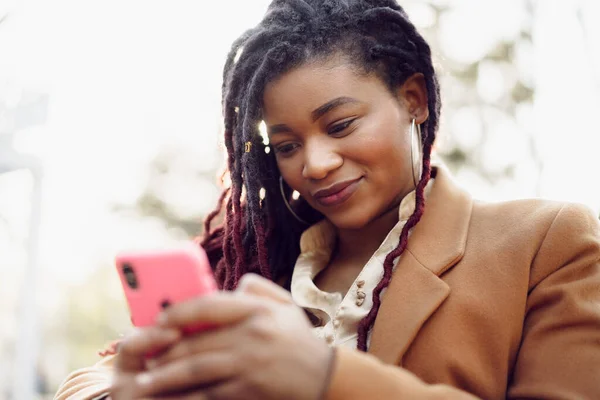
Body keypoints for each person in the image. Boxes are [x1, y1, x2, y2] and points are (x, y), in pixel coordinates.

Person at [54, 0, 600, 399]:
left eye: (340, 124)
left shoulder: (545, 245)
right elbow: (90, 379)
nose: (313, 165)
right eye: (287, 145)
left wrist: (322, 377)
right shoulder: (253, 260)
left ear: (413, 100)